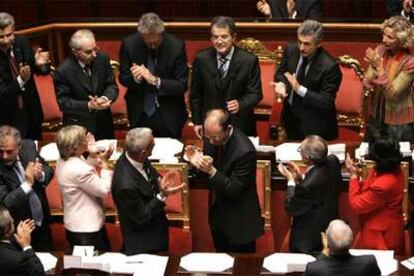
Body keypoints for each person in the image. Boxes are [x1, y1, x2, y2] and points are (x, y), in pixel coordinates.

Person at [187, 109, 264, 252]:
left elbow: (234, 189)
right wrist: (196, 162)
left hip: (240, 221)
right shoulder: (211, 135)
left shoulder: (245, 151)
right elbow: (209, 165)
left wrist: (210, 170)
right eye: (207, 136)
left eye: (214, 137)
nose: (210, 141)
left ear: (228, 129)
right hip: (218, 214)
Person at [111, 128, 185, 255]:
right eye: (153, 145)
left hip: (156, 228)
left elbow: (149, 171)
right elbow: (141, 216)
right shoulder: (125, 186)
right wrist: (162, 195)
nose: (155, 144)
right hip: (143, 242)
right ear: (143, 152)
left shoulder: (133, 156)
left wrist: (160, 180)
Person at [190, 16, 262, 138]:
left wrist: (240, 103)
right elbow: (196, 94)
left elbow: (256, 94)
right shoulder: (202, 59)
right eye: (215, 37)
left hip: (239, 124)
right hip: (211, 125)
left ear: (233, 37)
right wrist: (197, 121)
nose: (219, 41)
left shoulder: (248, 61)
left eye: (224, 37)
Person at [119, 13, 188, 138]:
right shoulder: (129, 44)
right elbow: (123, 78)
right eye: (148, 42)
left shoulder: (176, 46)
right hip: (139, 112)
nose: (152, 46)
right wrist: (135, 78)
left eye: (156, 42)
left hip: (168, 113)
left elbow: (182, 85)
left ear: (162, 33)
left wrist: (155, 80)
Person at [273, 20, 342, 141]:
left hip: (315, 127)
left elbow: (326, 101)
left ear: (318, 43)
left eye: (307, 44)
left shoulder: (330, 67)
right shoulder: (290, 49)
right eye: (299, 42)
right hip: (290, 119)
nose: (301, 48)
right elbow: (281, 72)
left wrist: (299, 89)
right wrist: (282, 84)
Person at [277, 135, 341, 255]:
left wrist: (291, 181)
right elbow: (318, 188)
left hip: (308, 241)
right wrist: (301, 179)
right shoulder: (333, 162)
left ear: (306, 157)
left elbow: (292, 208)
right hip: (331, 233)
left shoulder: (306, 187)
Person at [55, 125, 114, 251]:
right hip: (87, 229)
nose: (86, 141)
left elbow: (84, 169)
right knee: (93, 267)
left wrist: (93, 155)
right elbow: (104, 189)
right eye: (83, 139)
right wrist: (104, 162)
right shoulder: (79, 170)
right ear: (74, 147)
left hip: (76, 223)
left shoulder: (64, 159)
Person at [54, 29, 119, 140]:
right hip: (78, 130)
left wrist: (104, 98)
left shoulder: (102, 59)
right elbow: (63, 102)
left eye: (95, 49)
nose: (94, 54)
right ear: (75, 52)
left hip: (104, 125)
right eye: (88, 52)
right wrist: (89, 105)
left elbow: (111, 86)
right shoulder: (64, 70)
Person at [345, 133, 405, 252]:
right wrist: (358, 178)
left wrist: (353, 176)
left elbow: (357, 205)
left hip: (382, 236)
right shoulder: (389, 169)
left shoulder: (385, 184)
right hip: (373, 227)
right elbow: (369, 188)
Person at [0, 125, 53, 251]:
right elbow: (5, 202)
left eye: (9, 151)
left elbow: (48, 169)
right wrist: (27, 184)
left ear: (19, 147)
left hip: (42, 224)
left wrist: (40, 175)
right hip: (17, 230)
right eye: (1, 151)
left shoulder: (28, 147)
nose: (4, 156)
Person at [0, 12, 50, 140]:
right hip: (7, 117)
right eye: (1, 36)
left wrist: (39, 64)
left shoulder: (22, 42)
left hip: (31, 110)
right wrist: (21, 79)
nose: (5, 40)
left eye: (8, 35)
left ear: (14, 30)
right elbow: (3, 93)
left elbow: (41, 71)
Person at [363, 16, 414, 143]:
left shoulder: (409, 62)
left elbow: (392, 94)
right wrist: (373, 70)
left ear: (402, 40)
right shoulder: (380, 50)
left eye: (390, 37)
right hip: (376, 115)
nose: (384, 40)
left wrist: (379, 68)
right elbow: (367, 82)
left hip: (399, 122)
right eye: (384, 35)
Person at [304, 219, 381, 276]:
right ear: (351, 240)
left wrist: (325, 250)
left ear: (327, 242)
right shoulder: (368, 263)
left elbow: (319, 266)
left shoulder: (313, 269)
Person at [0, 205, 45, 276]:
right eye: (11, 222)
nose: (13, 220)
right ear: (7, 231)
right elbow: (38, 273)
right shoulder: (18, 259)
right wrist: (26, 246)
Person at [256, 0, 322, 20]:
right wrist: (269, 17)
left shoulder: (312, 2)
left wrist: (292, 14)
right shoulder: (272, 2)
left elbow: (312, 29)